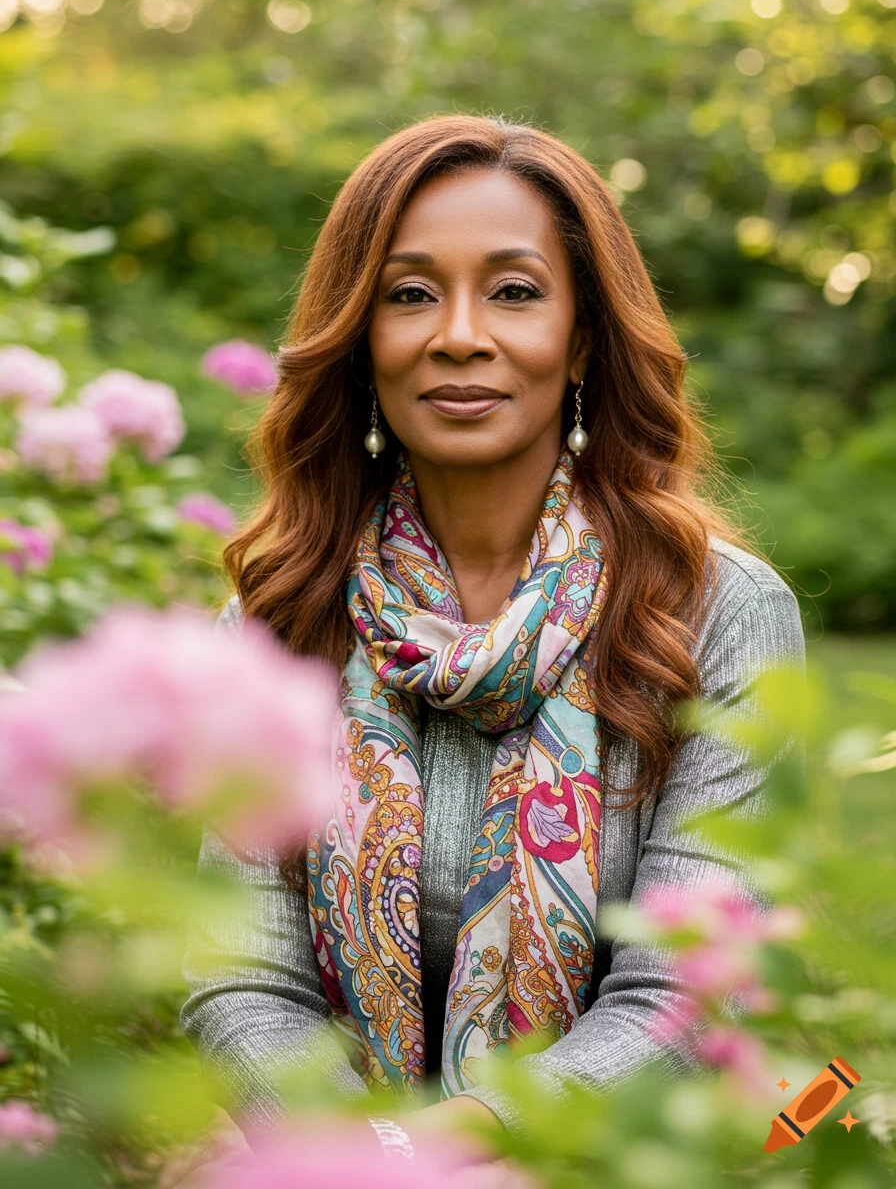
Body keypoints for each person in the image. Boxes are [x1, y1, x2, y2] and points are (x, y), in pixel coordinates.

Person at [180, 114, 805, 1184]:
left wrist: (470, 1141)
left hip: (624, 1147)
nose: (457, 334)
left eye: (513, 291)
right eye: (409, 292)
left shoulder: (715, 610)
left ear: (581, 339)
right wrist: (368, 1156)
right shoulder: (282, 616)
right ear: (358, 334)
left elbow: (681, 991)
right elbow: (239, 976)